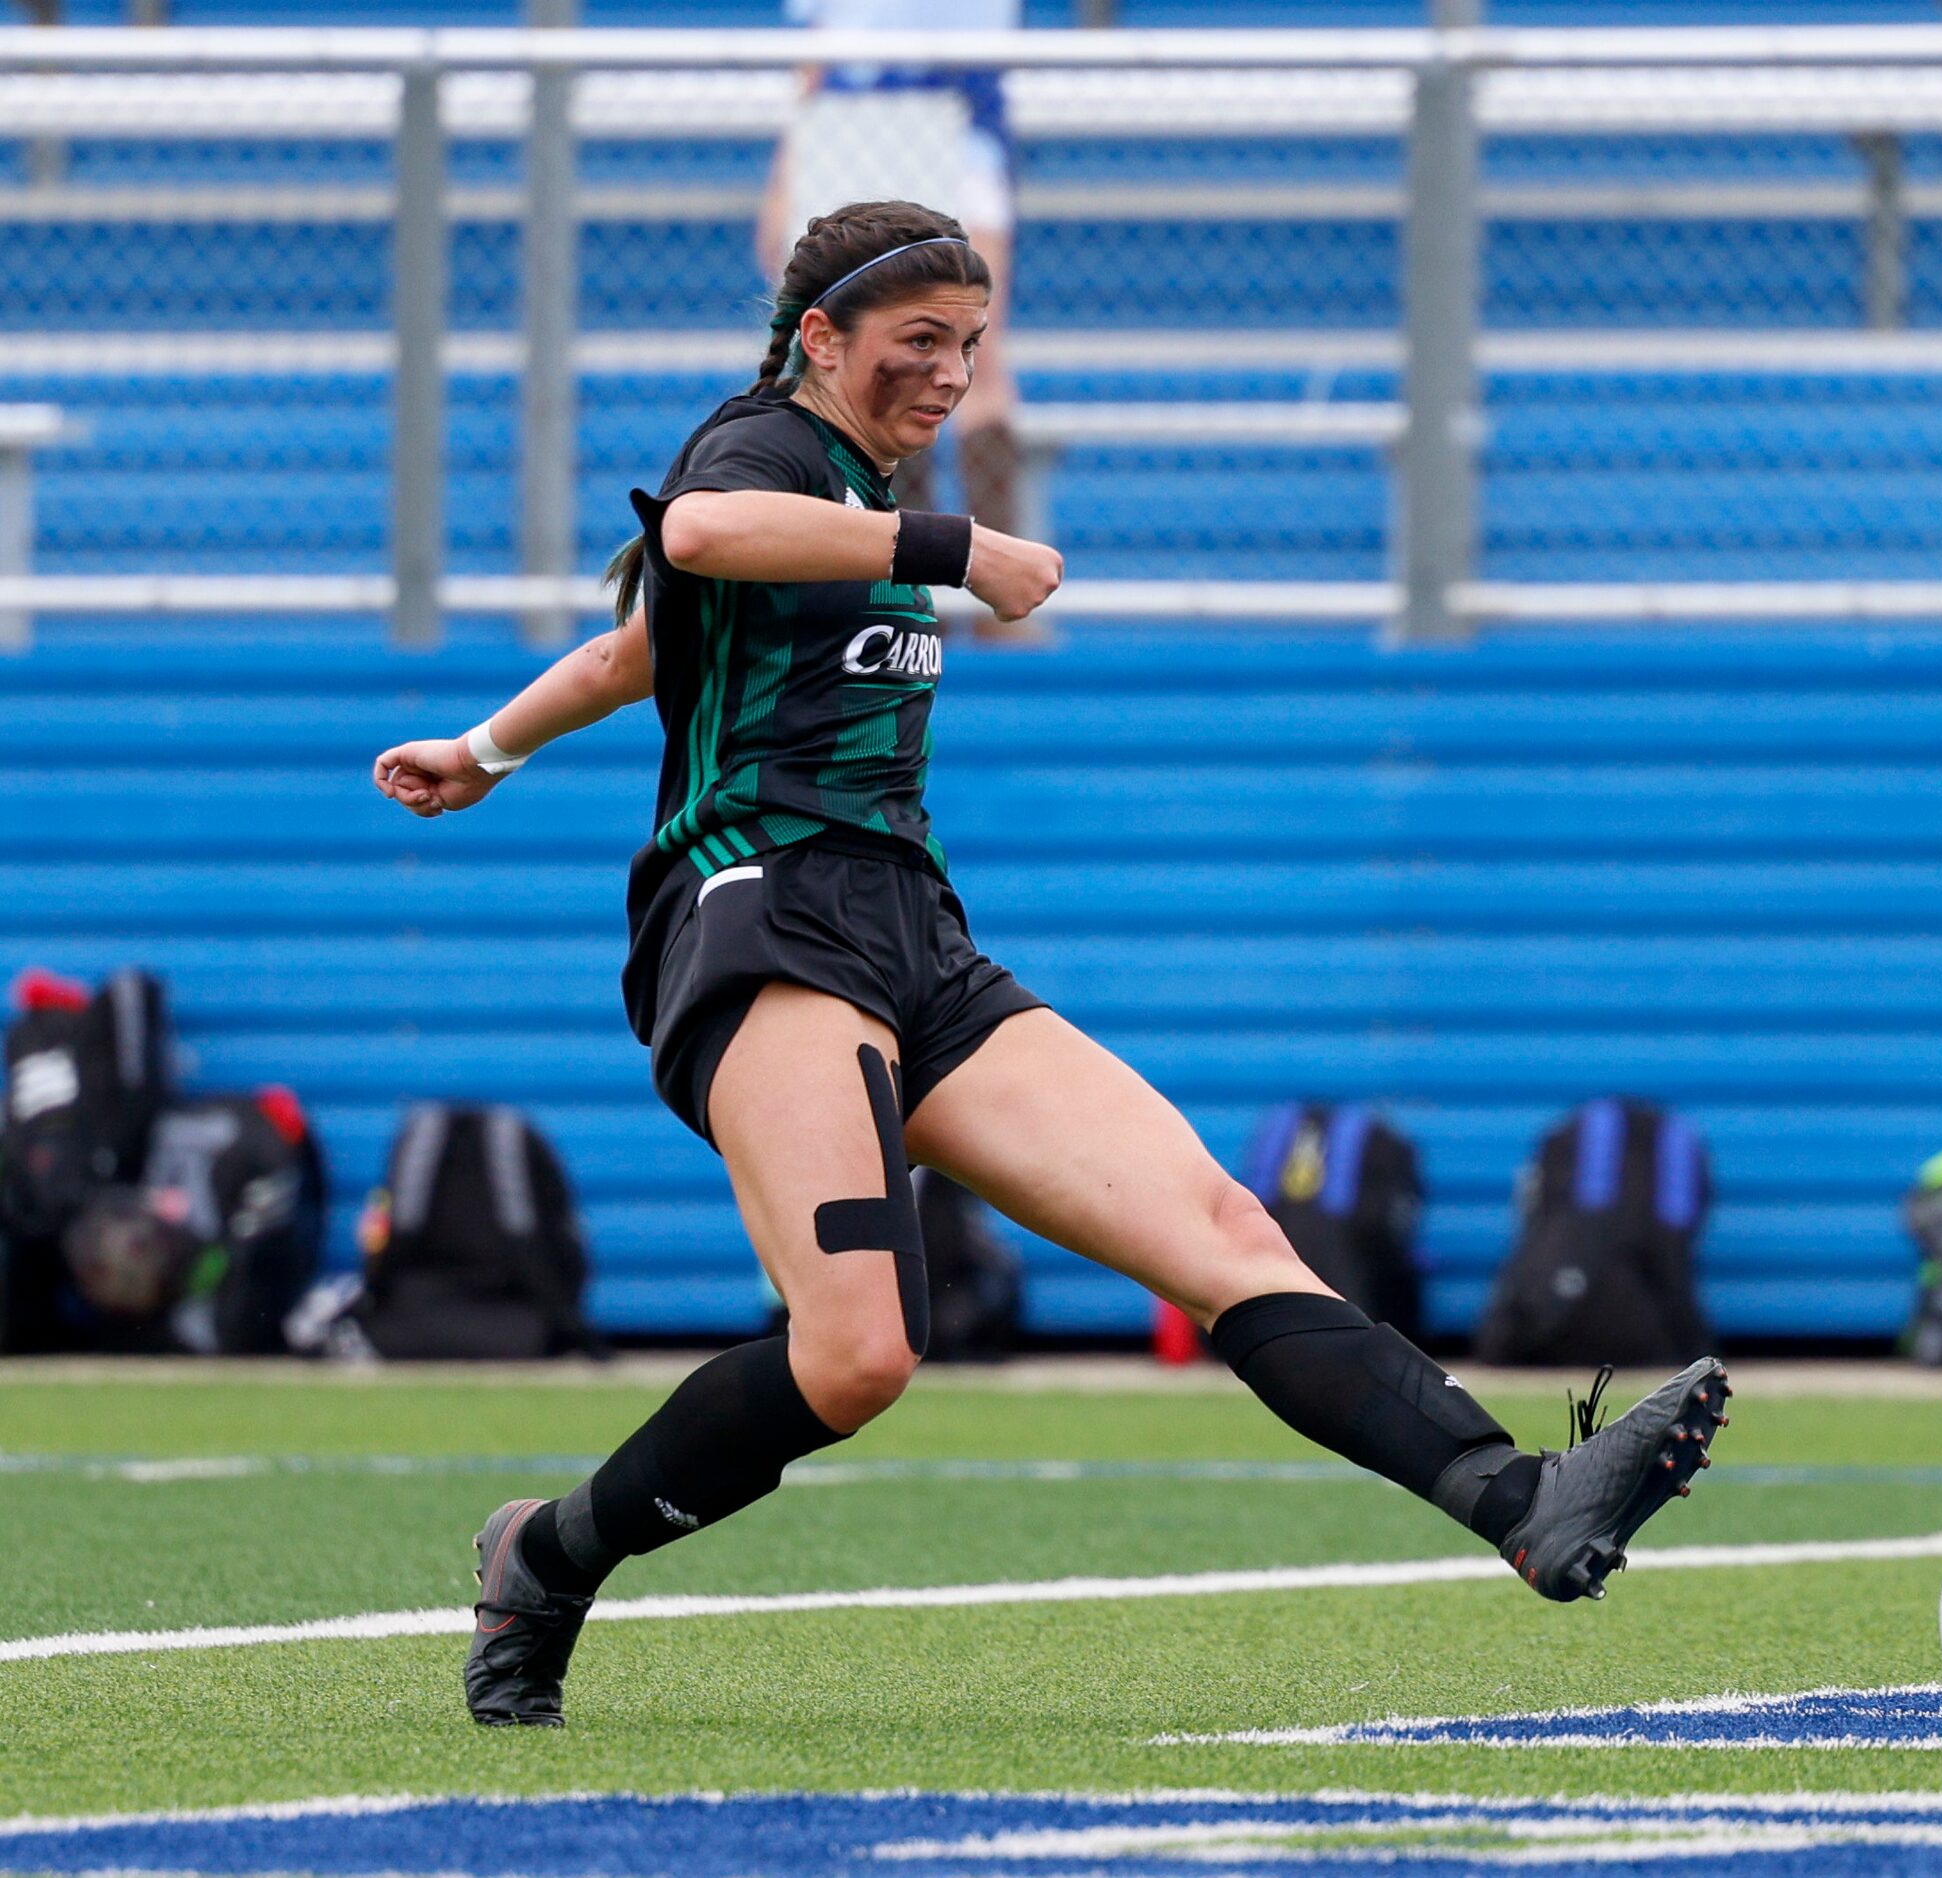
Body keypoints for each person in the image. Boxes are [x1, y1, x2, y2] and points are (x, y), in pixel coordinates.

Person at [372, 200, 1730, 1732]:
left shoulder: (853, 490)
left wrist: (486, 746)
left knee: (1218, 1224)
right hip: (754, 916)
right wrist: (957, 544)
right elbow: (693, 542)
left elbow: (645, 643)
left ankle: (1520, 1496)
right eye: (917, 344)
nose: (951, 374)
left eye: (971, 345)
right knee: (862, 1351)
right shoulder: (759, 450)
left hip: (912, 932)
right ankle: (544, 1554)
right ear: (820, 339)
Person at [761, 0, 1024, 537]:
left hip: (959, 117)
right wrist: (788, 173)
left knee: (977, 352)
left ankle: (1001, 591)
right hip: (851, 126)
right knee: (874, 358)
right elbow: (818, 50)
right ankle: (906, 574)